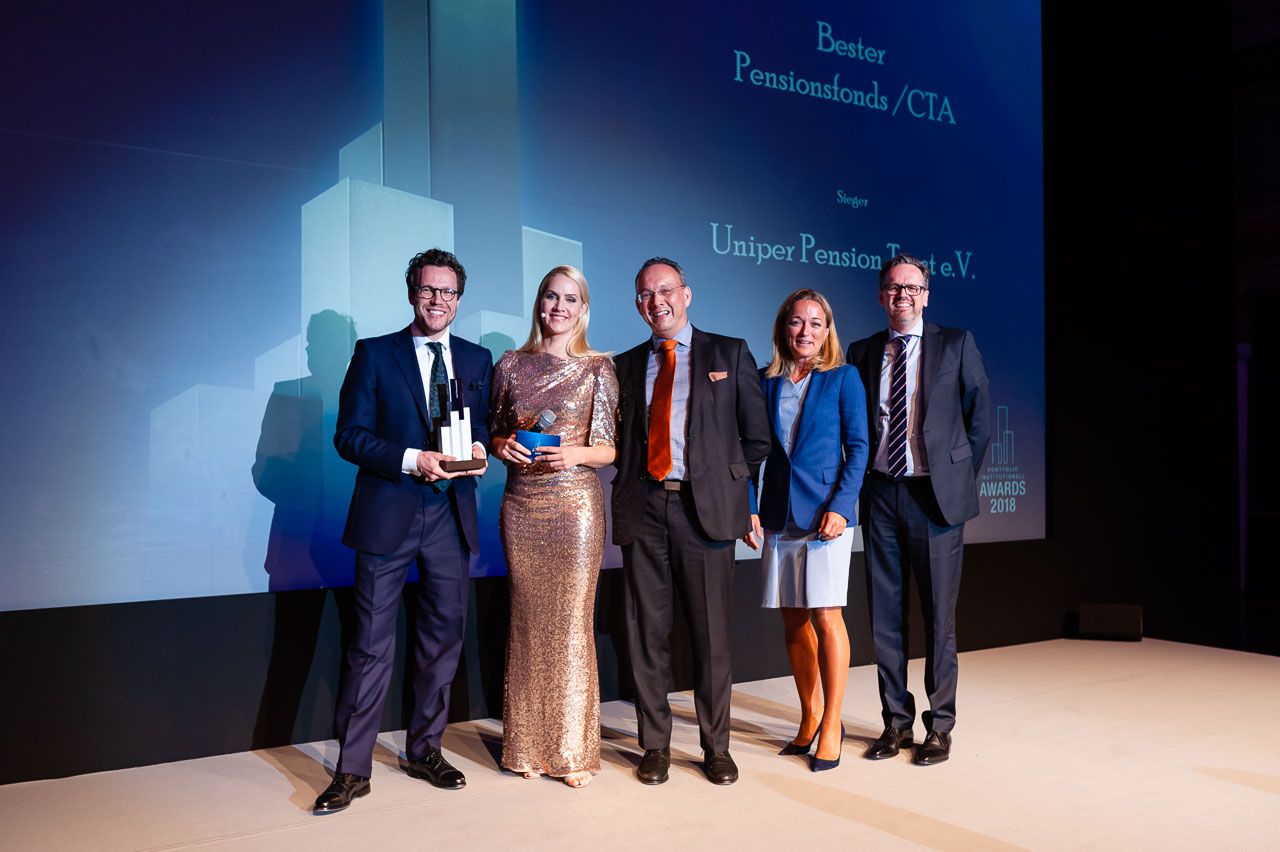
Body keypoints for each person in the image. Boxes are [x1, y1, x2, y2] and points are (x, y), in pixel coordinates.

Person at [313, 248, 492, 814]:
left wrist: (481, 446)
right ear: (412, 292)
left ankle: (425, 750)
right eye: (428, 289)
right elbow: (350, 436)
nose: (438, 300)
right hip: (388, 512)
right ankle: (352, 769)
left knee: (442, 640)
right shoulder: (374, 354)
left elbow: (484, 424)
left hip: (451, 516)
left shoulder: (477, 358)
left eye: (448, 292)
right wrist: (414, 459)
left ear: (459, 299)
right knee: (369, 645)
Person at [612, 257, 770, 786]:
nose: (656, 301)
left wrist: (735, 492)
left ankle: (715, 747)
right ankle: (655, 745)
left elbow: (757, 438)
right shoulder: (625, 365)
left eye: (665, 290)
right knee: (646, 635)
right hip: (644, 510)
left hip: (706, 514)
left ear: (686, 294)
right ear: (638, 305)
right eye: (645, 294)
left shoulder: (729, 352)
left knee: (711, 638)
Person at [846, 253, 991, 766]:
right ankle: (895, 723)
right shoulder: (862, 351)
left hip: (935, 500)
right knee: (884, 619)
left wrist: (955, 484)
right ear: (880, 296)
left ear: (926, 296)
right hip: (882, 495)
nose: (902, 295)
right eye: (893, 287)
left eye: (911, 287)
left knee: (938, 620)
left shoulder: (955, 343)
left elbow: (980, 421)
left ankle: (940, 726)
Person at [489, 265, 619, 789]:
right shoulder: (510, 364)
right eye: (551, 296)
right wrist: (503, 447)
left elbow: (609, 449)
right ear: (539, 303)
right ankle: (524, 747)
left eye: (570, 299)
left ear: (583, 309)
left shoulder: (597, 368)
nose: (559, 307)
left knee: (570, 625)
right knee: (526, 623)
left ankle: (571, 750)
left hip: (574, 508)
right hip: (522, 505)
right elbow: (496, 433)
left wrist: (573, 455)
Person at [743, 289, 868, 772]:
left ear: (827, 330)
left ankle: (832, 722)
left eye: (816, 323)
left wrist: (841, 506)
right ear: (783, 327)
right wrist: (748, 507)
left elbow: (858, 448)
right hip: (779, 513)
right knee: (793, 618)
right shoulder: (766, 380)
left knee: (826, 615)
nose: (806, 331)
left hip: (826, 517)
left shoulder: (843, 378)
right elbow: (750, 452)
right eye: (797, 322)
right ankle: (809, 713)